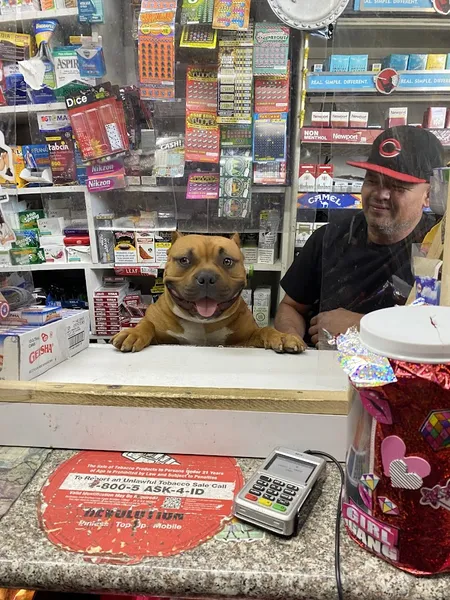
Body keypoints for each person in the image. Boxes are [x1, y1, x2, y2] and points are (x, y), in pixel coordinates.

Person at [275, 126, 444, 347]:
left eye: (397, 186)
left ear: (428, 195)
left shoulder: (439, 249)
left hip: (402, 377)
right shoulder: (328, 238)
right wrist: (293, 341)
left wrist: (363, 326)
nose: (380, 194)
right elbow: (290, 307)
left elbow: (440, 331)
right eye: (373, 180)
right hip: (324, 370)